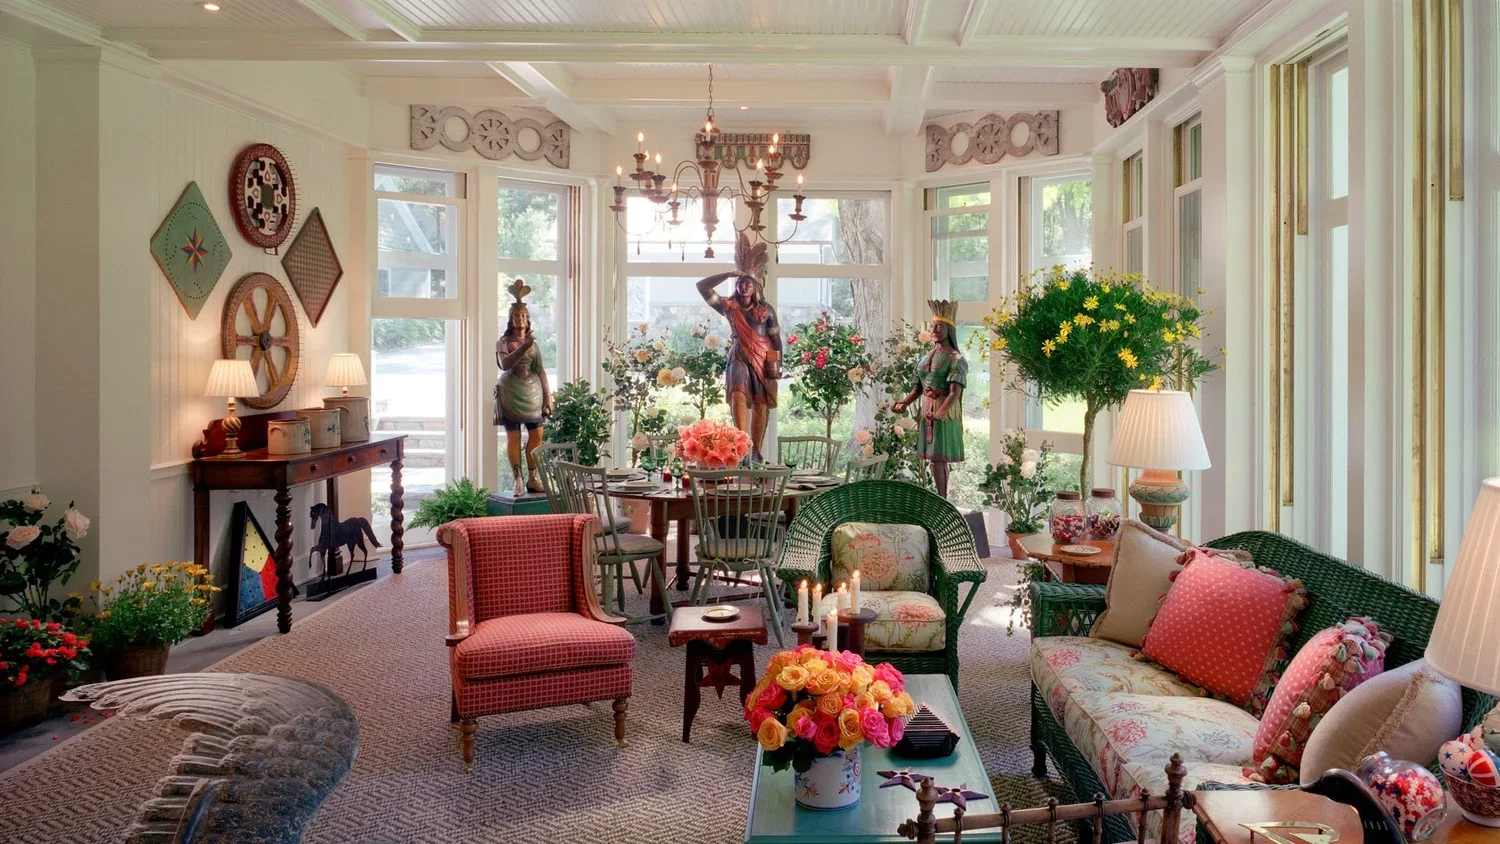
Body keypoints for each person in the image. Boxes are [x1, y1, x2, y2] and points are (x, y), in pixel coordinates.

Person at [695, 233, 782, 461]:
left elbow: (776, 339)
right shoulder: (728, 306)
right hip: (739, 356)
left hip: (763, 358)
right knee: (737, 395)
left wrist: (777, 365)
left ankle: (756, 450)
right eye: (740, 282)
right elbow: (702, 286)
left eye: (748, 283)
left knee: (761, 403)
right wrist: (728, 273)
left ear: (755, 286)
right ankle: (741, 445)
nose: (744, 286)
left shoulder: (766, 310)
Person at [893, 299, 967, 498]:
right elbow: (918, 388)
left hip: (944, 411)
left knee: (938, 459)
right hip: (927, 410)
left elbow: (954, 392)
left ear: (949, 330)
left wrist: (940, 413)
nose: (933, 329)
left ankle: (942, 500)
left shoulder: (956, 359)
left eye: (939, 326)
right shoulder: (926, 358)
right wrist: (904, 402)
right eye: (932, 325)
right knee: (934, 459)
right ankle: (940, 500)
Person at [494, 279, 553, 495]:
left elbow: (540, 370)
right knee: (514, 437)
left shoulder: (533, 344)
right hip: (511, 392)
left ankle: (533, 478)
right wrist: (523, 347)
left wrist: (548, 398)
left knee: (537, 435)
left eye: (523, 316)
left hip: (533, 394)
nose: (520, 319)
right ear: (511, 320)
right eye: (516, 316)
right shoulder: (504, 342)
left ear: (528, 319)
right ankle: (517, 478)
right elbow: (504, 364)